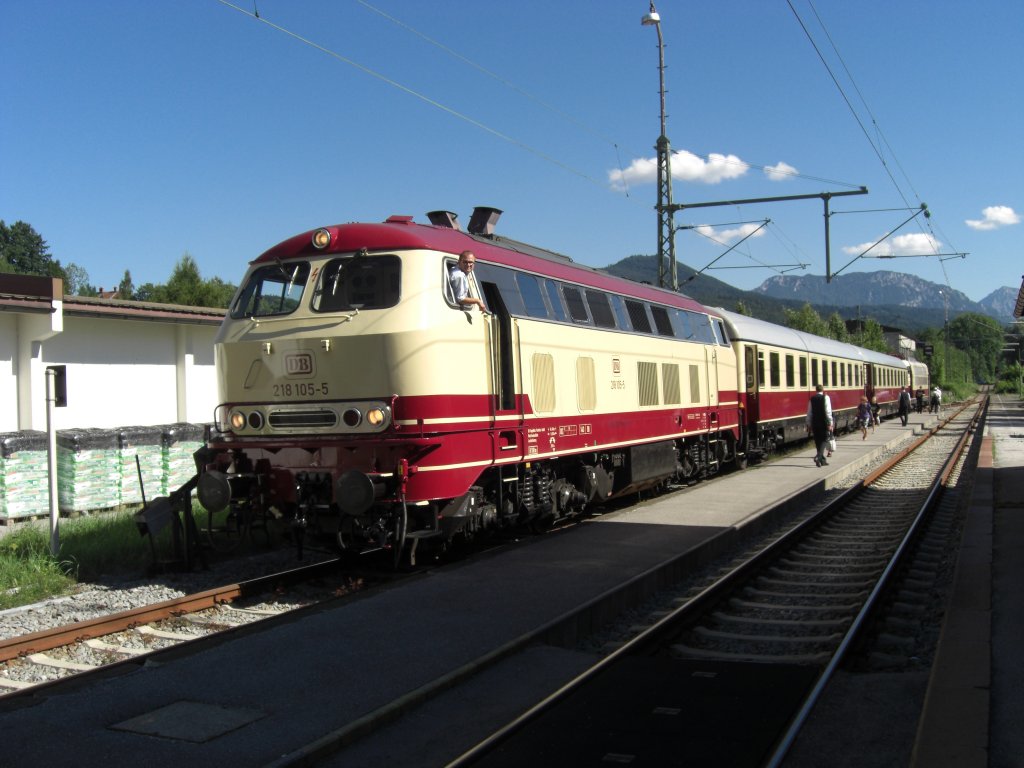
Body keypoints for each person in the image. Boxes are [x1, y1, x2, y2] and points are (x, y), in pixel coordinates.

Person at [806, 384, 833, 467]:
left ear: (816, 390)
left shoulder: (812, 399)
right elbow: (828, 411)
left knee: (818, 441)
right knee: (825, 439)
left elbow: (809, 412)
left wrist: (809, 424)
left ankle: (822, 460)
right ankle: (818, 457)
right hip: (824, 422)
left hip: (815, 422)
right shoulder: (826, 398)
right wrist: (830, 423)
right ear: (823, 390)